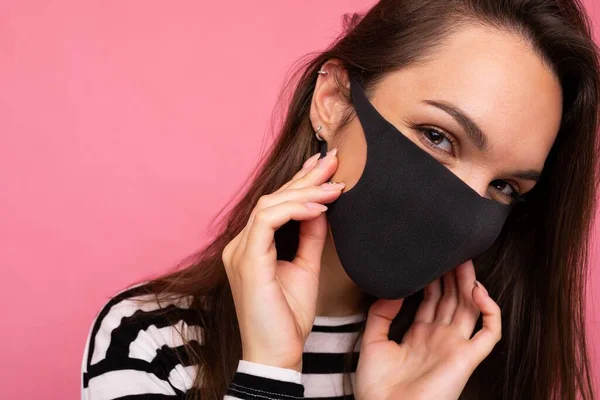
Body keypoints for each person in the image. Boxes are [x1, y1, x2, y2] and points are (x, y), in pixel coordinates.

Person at [81, 0, 600, 399]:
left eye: (505, 187)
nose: (464, 209)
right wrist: (269, 371)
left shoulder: (475, 361)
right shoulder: (151, 340)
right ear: (332, 101)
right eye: (438, 137)